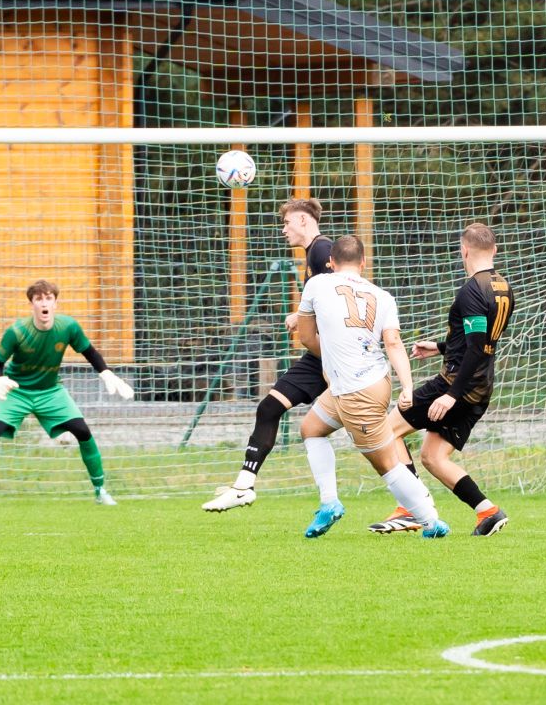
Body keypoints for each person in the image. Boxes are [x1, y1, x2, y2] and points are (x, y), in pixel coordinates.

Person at [293, 235, 449, 539]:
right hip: (366, 382)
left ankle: (431, 522)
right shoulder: (383, 295)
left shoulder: (317, 284)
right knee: (310, 429)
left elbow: (306, 337)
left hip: (356, 390)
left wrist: (333, 356)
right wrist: (407, 385)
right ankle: (329, 503)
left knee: (387, 464)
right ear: (363, 263)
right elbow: (392, 341)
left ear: (331, 263)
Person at [0, 280, 133, 506]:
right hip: (17, 392)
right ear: (31, 304)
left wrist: (107, 373)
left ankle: (101, 491)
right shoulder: (17, 332)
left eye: (49, 298)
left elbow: (89, 352)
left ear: (55, 303)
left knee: (82, 431)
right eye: (39, 299)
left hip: (51, 391)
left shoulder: (68, 327)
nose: (44, 303)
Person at [381, 223, 515, 536]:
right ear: (494, 250)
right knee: (433, 456)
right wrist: (440, 347)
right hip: (481, 388)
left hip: (456, 385)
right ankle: (488, 511)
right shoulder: (503, 286)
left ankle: (410, 509)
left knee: (387, 432)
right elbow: (481, 342)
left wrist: (451, 394)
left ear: (464, 250)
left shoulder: (471, 290)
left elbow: (477, 344)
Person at [202, 198, 333, 512]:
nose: (283, 229)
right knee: (269, 408)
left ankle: (411, 498)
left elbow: (338, 297)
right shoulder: (313, 252)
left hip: (335, 358)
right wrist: (300, 315)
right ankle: (244, 486)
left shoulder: (322, 249)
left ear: (303, 220)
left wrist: (303, 317)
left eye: (287, 222)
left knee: (372, 434)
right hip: (320, 358)